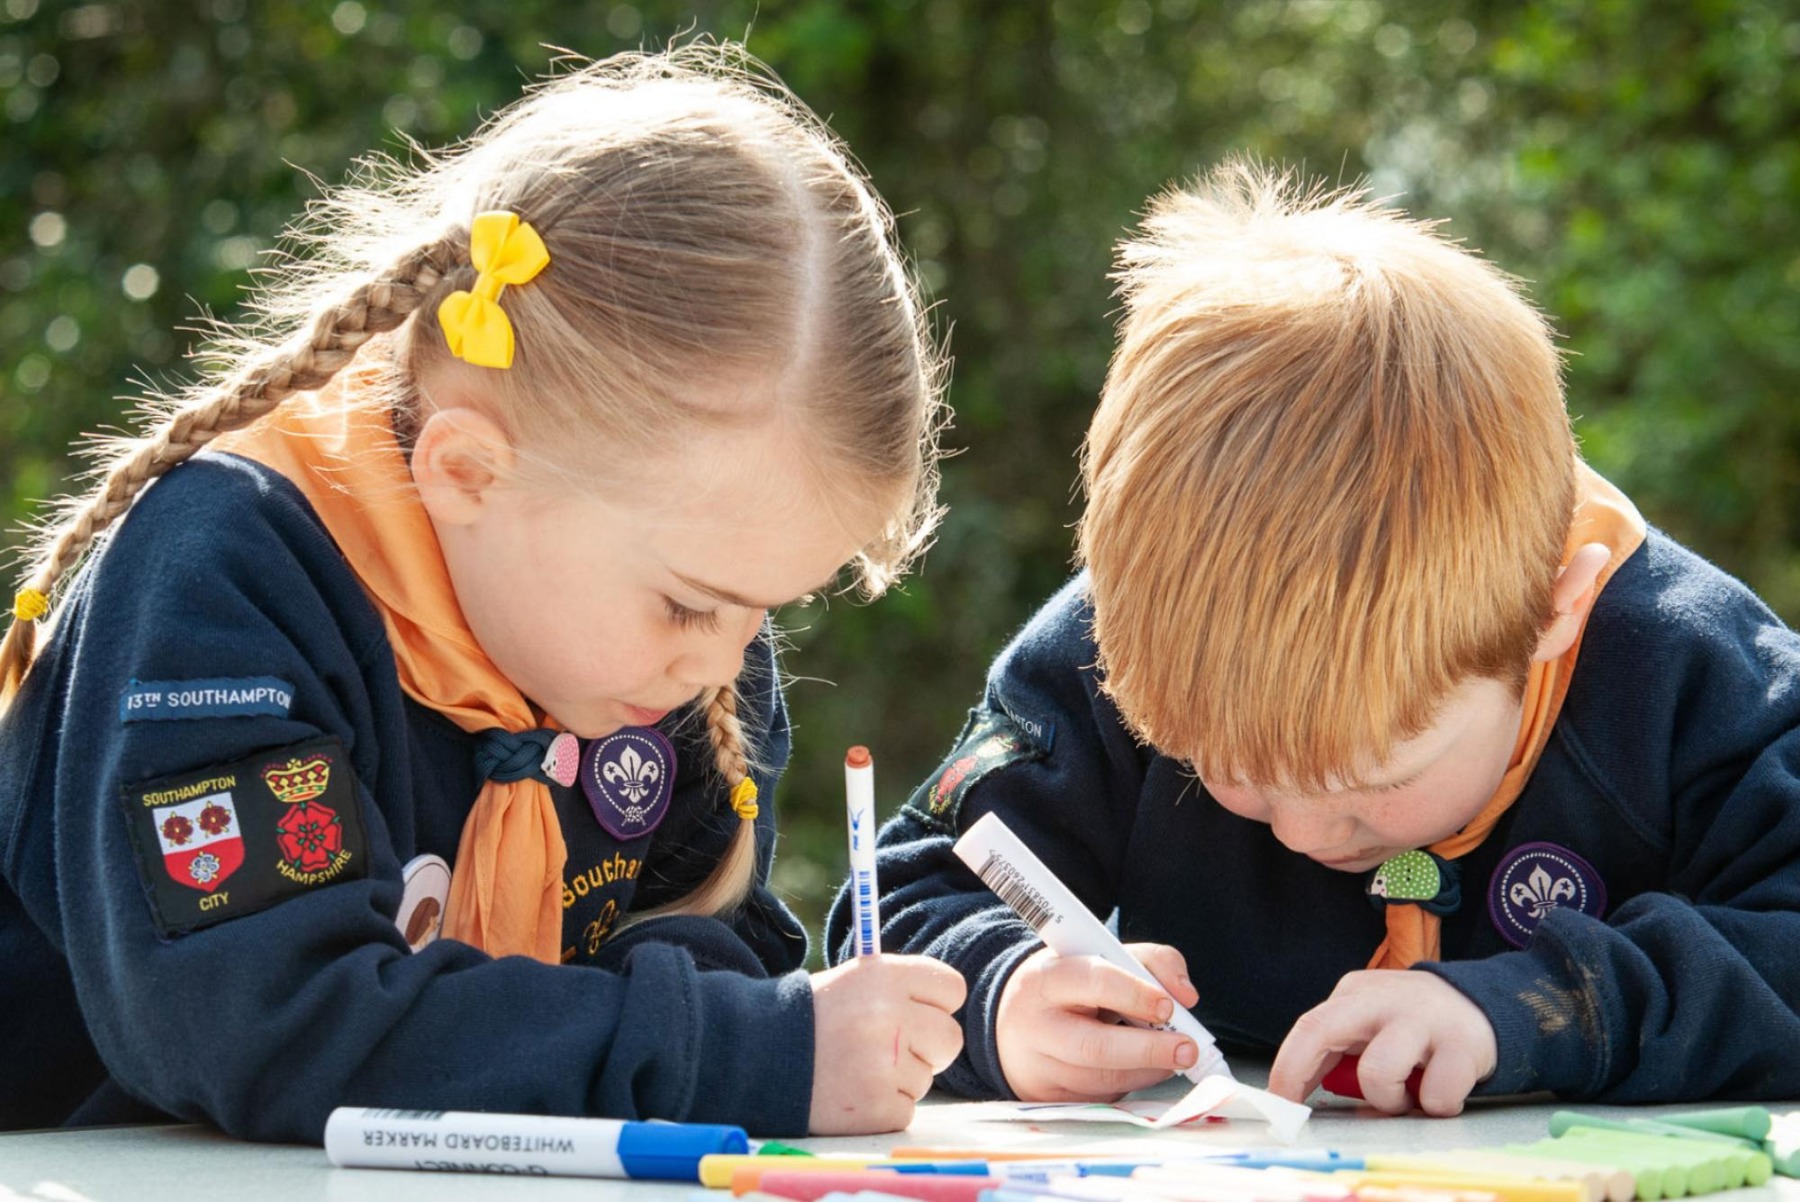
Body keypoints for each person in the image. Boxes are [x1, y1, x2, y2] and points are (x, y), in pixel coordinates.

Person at [0, 45, 967, 1142]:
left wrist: (760, 1030)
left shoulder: (660, 653)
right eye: (693, 604)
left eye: (767, 608)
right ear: (466, 472)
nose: (725, 658)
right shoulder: (223, 583)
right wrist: (740, 1052)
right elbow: (273, 1022)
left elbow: (707, 943)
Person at [834, 161, 1800, 1117]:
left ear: (1554, 615)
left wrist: (1535, 1011)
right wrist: (1001, 998)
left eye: (1373, 781)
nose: (1298, 832)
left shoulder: (1694, 681)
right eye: (1222, 765)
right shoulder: (1148, 636)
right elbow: (900, 906)